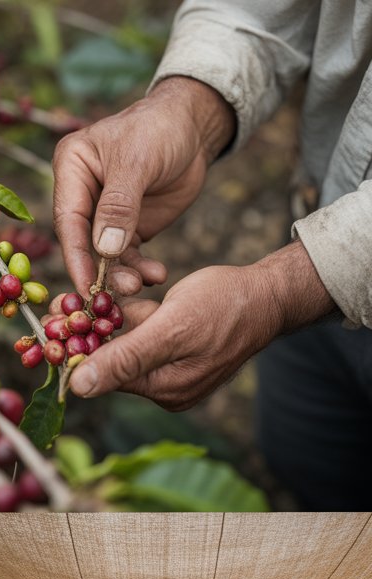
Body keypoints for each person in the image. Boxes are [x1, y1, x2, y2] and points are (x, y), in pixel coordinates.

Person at [51, 1, 372, 509]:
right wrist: (188, 111)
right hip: (312, 244)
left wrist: (280, 290)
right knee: (306, 463)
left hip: (314, 270)